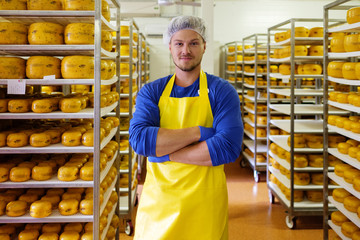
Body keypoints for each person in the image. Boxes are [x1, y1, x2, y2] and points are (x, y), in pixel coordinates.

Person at [129, 15, 243, 240]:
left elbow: (227, 147)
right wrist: (199, 132)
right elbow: (141, 140)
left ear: (204, 47)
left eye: (193, 43)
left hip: (205, 205)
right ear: (170, 46)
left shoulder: (221, 91)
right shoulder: (152, 91)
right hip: (159, 204)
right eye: (179, 43)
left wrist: (163, 154)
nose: (186, 50)